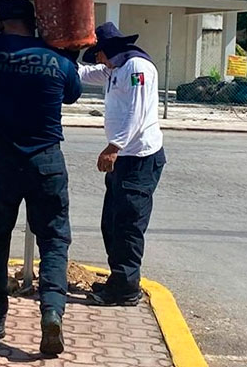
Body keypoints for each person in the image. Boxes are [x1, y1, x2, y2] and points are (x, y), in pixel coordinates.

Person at [0, 0, 82, 356]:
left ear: (2, 24)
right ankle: (51, 315)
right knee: (53, 240)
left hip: (3, 160)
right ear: (34, 26)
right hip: (47, 160)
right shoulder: (57, 60)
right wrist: (63, 48)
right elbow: (73, 95)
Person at [77, 22, 166, 306]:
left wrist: (113, 146)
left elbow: (135, 113)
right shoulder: (116, 69)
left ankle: (126, 288)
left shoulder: (136, 68)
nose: (98, 60)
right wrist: (60, 60)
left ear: (108, 50)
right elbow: (86, 73)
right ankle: (120, 278)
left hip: (137, 159)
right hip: (125, 160)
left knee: (128, 224)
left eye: (99, 53)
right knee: (111, 223)